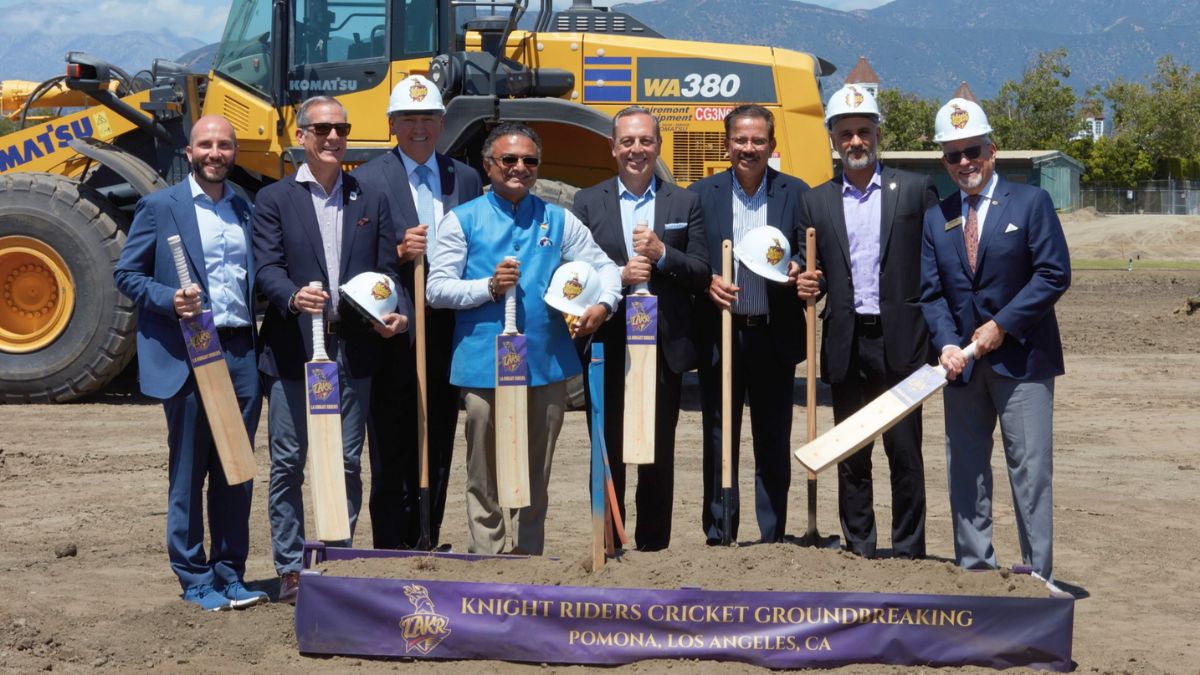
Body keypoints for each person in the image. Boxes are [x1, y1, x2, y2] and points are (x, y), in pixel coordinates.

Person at [427, 122, 621, 555]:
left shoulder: (559, 219)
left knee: (538, 466)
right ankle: (488, 552)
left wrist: (604, 305)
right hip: (482, 361)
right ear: (488, 165)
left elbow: (604, 267)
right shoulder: (461, 220)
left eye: (529, 160)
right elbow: (436, 289)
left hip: (545, 361)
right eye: (509, 159)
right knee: (483, 466)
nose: (519, 167)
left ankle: (529, 555)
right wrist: (488, 287)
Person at [253, 96, 410, 602]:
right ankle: (291, 567)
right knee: (289, 460)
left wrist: (392, 310)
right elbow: (266, 268)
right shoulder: (273, 199)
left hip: (354, 348)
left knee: (345, 461)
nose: (333, 137)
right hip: (294, 348)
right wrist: (292, 296)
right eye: (322, 129)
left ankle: (337, 560)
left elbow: (387, 271)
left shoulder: (370, 197)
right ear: (301, 136)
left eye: (341, 128)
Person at [114, 115, 267, 611]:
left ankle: (230, 572)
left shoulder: (245, 208)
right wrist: (169, 298)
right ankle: (194, 577)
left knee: (236, 468)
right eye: (206, 145)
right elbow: (126, 274)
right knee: (188, 470)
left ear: (234, 152)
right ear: (190, 152)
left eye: (224, 145)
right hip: (187, 351)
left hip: (239, 350)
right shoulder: (161, 207)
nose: (215, 153)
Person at [920, 97, 1071, 591]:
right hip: (962, 369)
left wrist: (1002, 325)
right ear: (944, 161)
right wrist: (947, 344)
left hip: (1023, 363)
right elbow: (932, 294)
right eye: (953, 154)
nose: (964, 162)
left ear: (992, 150)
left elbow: (1053, 274)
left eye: (973, 150)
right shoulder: (937, 217)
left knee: (1029, 474)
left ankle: (1037, 579)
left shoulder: (1030, 203)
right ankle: (976, 575)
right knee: (965, 471)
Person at [795, 85, 940, 559]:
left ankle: (909, 549)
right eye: (845, 134)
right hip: (847, 341)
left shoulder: (915, 190)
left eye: (863, 131)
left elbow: (936, 261)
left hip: (903, 341)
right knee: (852, 452)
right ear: (833, 140)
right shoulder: (816, 202)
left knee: (905, 451)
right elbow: (809, 264)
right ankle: (859, 546)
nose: (855, 141)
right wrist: (806, 278)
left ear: (877, 134)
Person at [352, 75, 483, 550]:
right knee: (391, 439)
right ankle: (392, 545)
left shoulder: (464, 178)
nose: (419, 127)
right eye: (408, 118)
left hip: (447, 328)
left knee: (439, 435)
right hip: (394, 328)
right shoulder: (367, 179)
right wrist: (397, 252)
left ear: (442, 122)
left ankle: (428, 536)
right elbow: (354, 254)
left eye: (428, 117)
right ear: (391, 124)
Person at [572, 106, 710, 551]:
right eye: (628, 141)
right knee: (607, 446)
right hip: (608, 341)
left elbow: (701, 271)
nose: (637, 150)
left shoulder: (684, 202)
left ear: (658, 146)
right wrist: (619, 274)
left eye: (646, 141)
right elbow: (575, 273)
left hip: (663, 344)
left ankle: (653, 549)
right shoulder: (587, 201)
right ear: (613, 147)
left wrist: (662, 253)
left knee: (657, 450)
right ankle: (608, 543)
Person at [688, 104, 808, 544]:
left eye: (758, 140)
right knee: (719, 437)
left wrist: (799, 266)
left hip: (773, 334)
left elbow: (810, 250)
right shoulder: (702, 194)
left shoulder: (795, 193)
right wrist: (707, 281)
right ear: (727, 144)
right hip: (721, 334)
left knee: (773, 440)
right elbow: (693, 256)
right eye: (740, 140)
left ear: (772, 145)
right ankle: (720, 532)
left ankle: (772, 536)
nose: (749, 148)